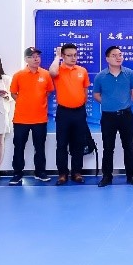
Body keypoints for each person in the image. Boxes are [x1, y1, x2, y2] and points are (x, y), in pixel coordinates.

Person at [93, 46, 133, 187]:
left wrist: (124, 104)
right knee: (108, 147)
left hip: (126, 115)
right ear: (107, 58)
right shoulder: (100, 76)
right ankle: (107, 176)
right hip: (108, 117)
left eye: (120, 55)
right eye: (114, 55)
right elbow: (96, 95)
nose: (118, 57)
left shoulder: (129, 73)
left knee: (128, 146)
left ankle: (131, 175)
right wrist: (109, 104)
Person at [8, 48, 53, 185]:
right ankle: (17, 173)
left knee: (39, 147)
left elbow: (48, 92)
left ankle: (40, 172)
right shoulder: (18, 75)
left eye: (37, 56)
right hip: (21, 119)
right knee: (19, 147)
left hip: (40, 118)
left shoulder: (45, 74)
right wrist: (24, 103)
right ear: (26, 59)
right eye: (32, 56)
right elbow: (13, 93)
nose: (36, 59)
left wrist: (38, 103)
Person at [48, 43, 90, 185]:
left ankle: (76, 172)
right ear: (63, 56)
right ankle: (62, 174)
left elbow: (85, 91)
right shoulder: (58, 70)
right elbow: (51, 72)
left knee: (78, 143)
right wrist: (57, 57)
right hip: (63, 112)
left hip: (79, 112)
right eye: (69, 55)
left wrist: (81, 104)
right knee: (61, 144)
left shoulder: (82, 70)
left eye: (75, 55)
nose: (73, 58)